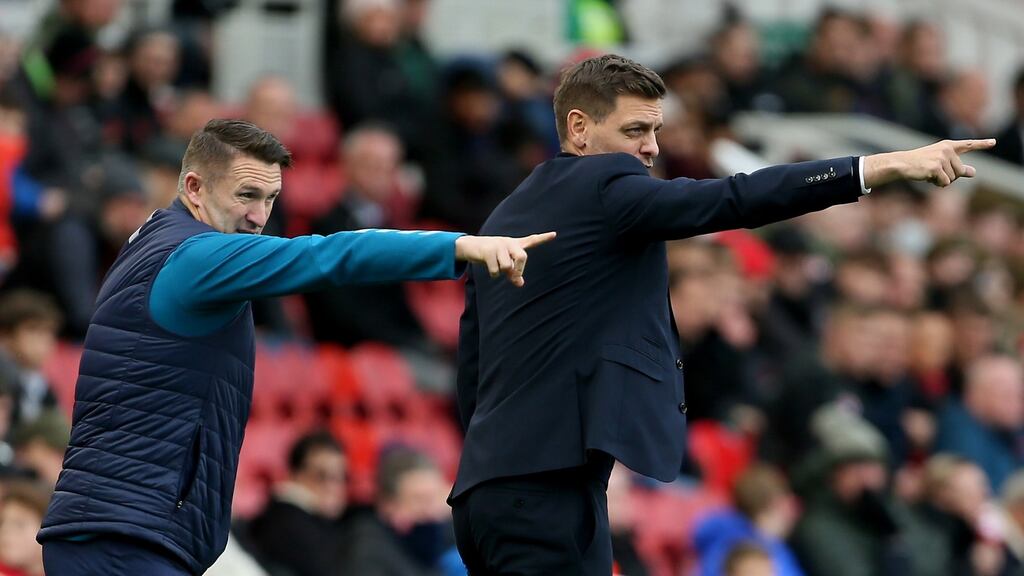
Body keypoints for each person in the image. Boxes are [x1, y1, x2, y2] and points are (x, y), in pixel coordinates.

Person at [449, 53, 995, 574]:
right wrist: (881, 166)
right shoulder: (606, 187)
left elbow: (474, 361)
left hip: (487, 494)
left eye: (656, 132)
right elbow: (735, 198)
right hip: (546, 492)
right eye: (635, 131)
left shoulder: (505, 215)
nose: (651, 149)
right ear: (579, 127)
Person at [35, 118, 554, 576]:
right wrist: (458, 246)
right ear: (194, 187)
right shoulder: (196, 258)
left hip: (121, 530)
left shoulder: (164, 239)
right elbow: (331, 255)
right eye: (246, 195)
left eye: (271, 200)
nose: (261, 217)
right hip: (124, 538)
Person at [339, 446, 453, 576]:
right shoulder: (366, 549)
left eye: (435, 497)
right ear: (388, 505)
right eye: (419, 499)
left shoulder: (448, 534)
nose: (430, 510)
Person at [247, 431, 348, 576]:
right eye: (322, 476)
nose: (333, 487)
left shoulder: (315, 522)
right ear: (295, 474)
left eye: (341, 477)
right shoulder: (287, 524)